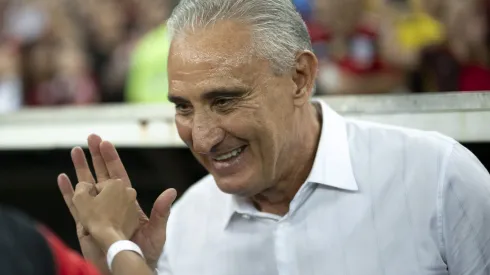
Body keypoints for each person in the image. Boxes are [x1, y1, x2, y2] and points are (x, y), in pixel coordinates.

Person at [58, 0, 490, 274]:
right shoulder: (184, 227)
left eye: (225, 100)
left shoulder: (437, 179)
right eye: (183, 107)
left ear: (300, 78)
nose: (203, 138)